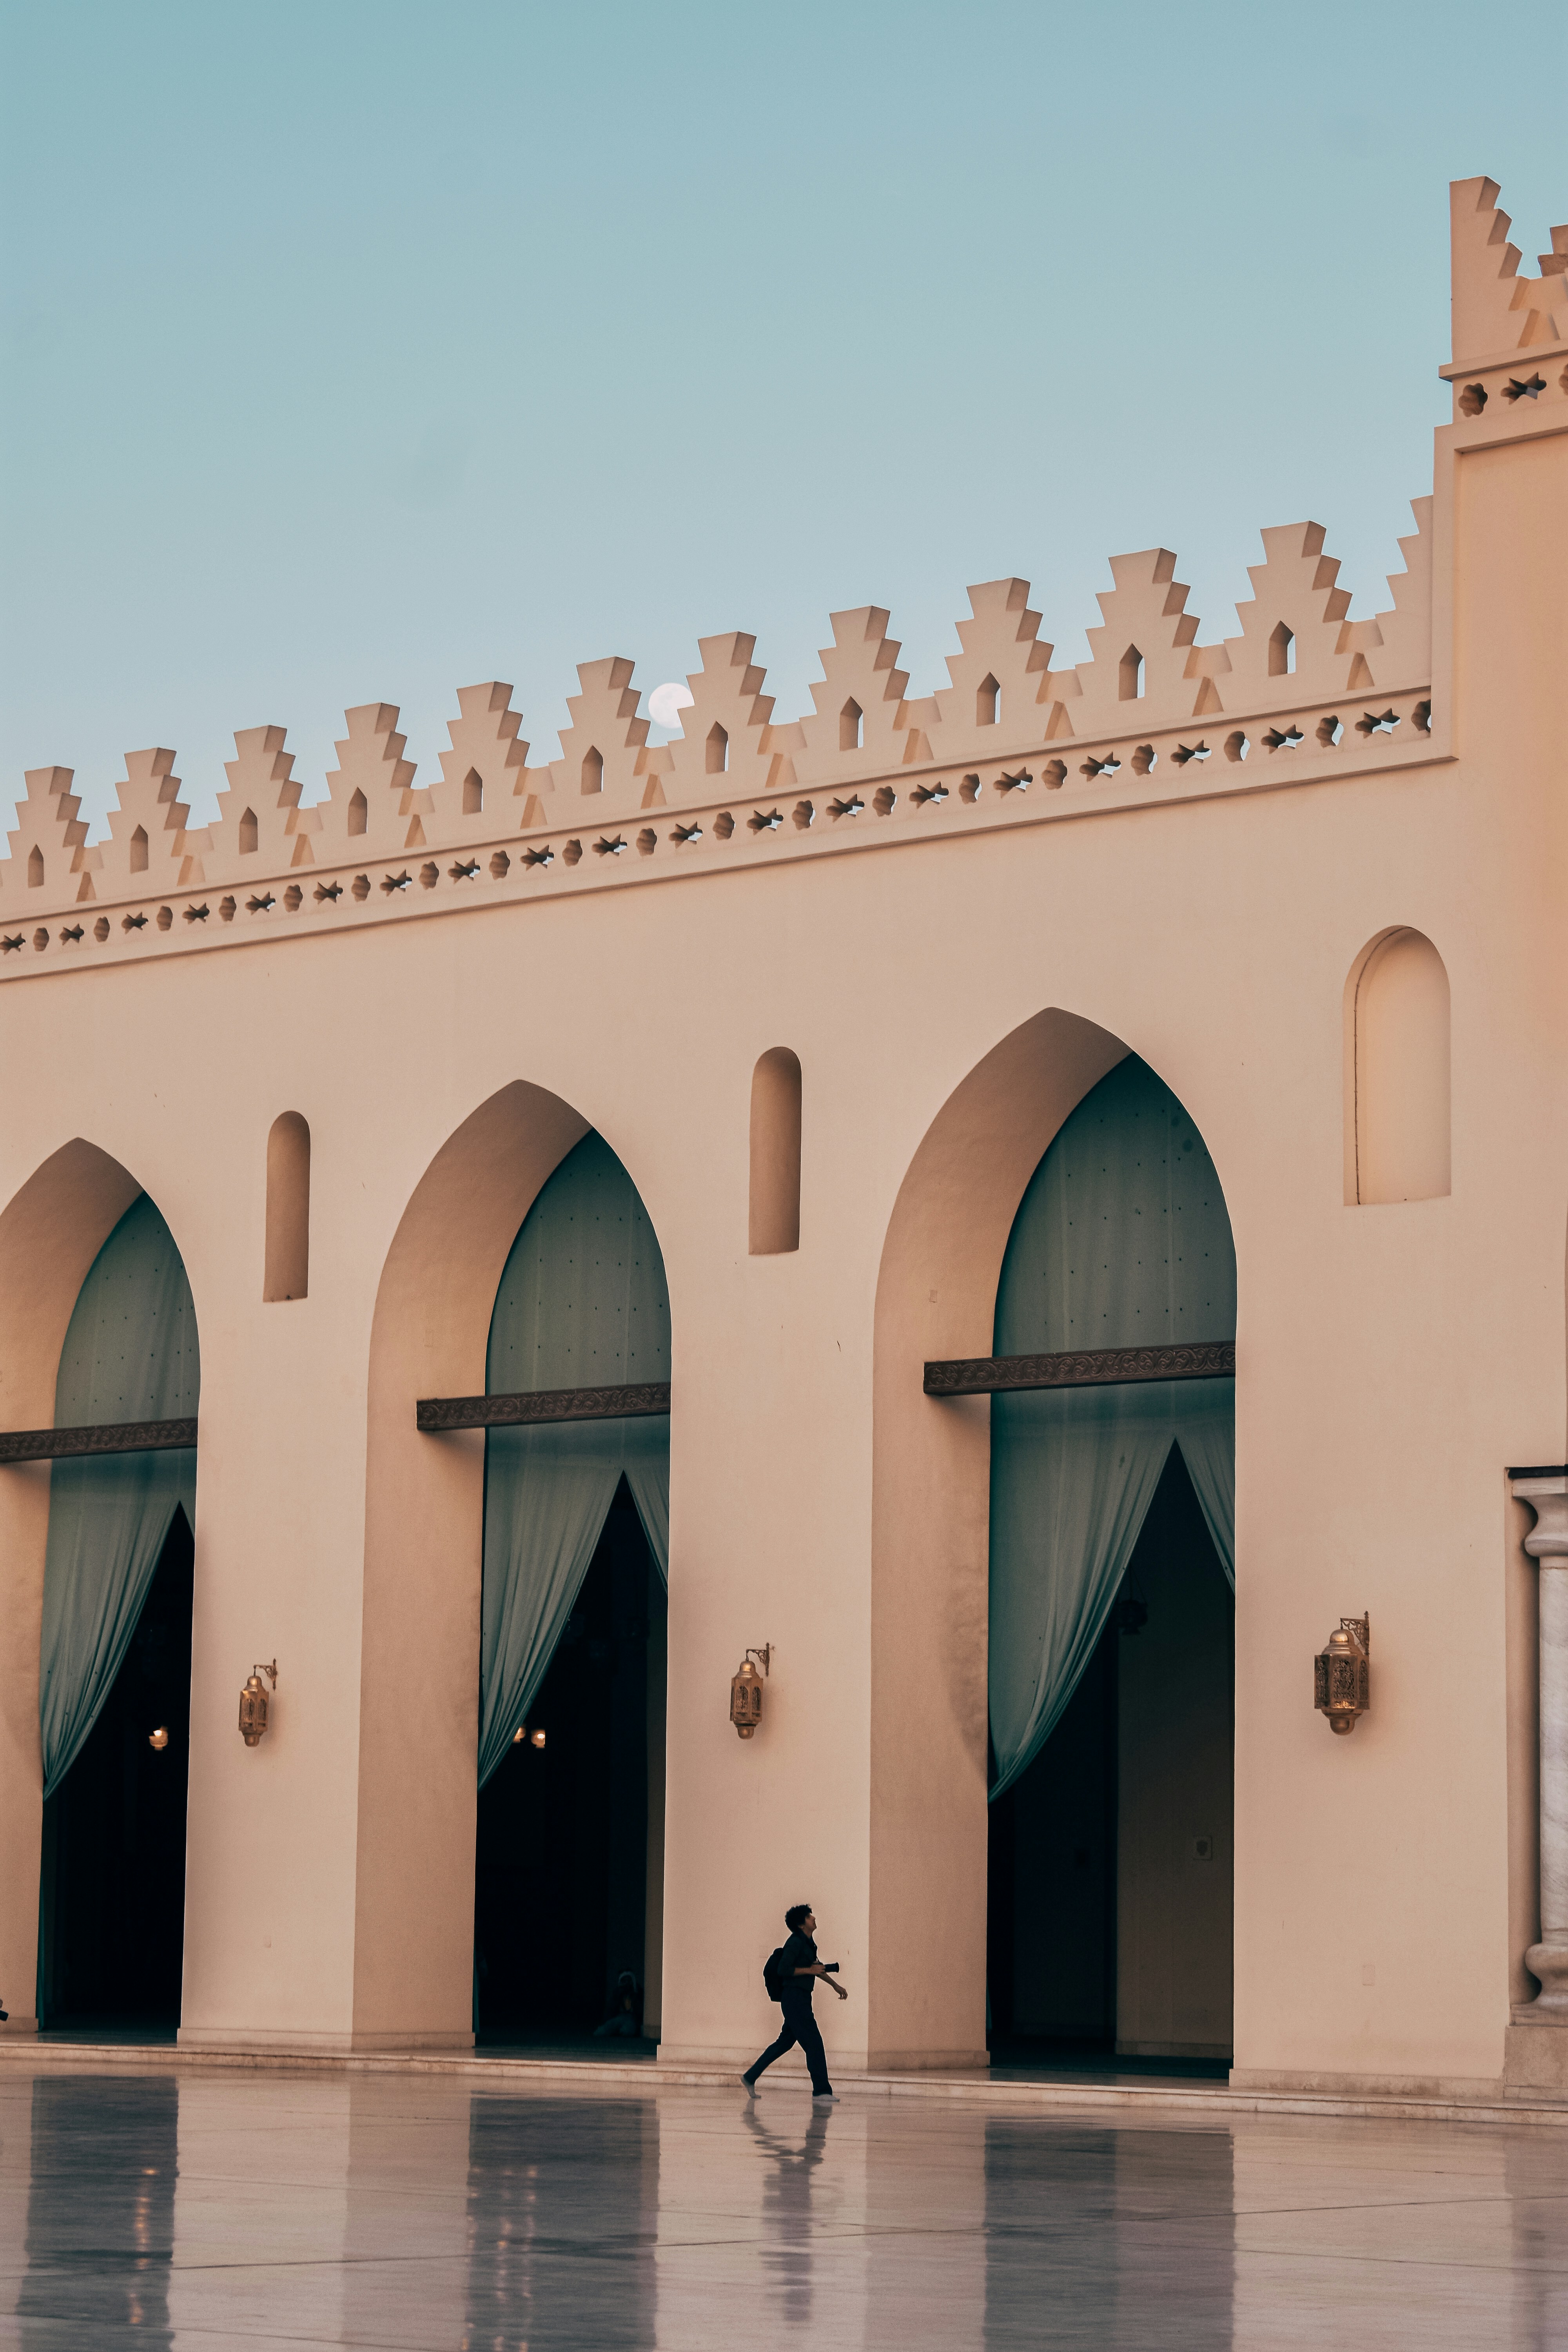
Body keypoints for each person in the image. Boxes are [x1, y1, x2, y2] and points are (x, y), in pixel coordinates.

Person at [742, 1903, 846, 2104]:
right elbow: (784, 1969)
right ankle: (821, 2091)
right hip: (794, 1999)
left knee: (785, 2042)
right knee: (814, 2043)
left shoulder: (808, 1943)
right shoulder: (795, 1943)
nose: (814, 1918)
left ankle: (750, 2077)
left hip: (801, 1998)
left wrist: (835, 1985)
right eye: (809, 1917)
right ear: (801, 1924)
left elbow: (816, 1968)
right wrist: (809, 1971)